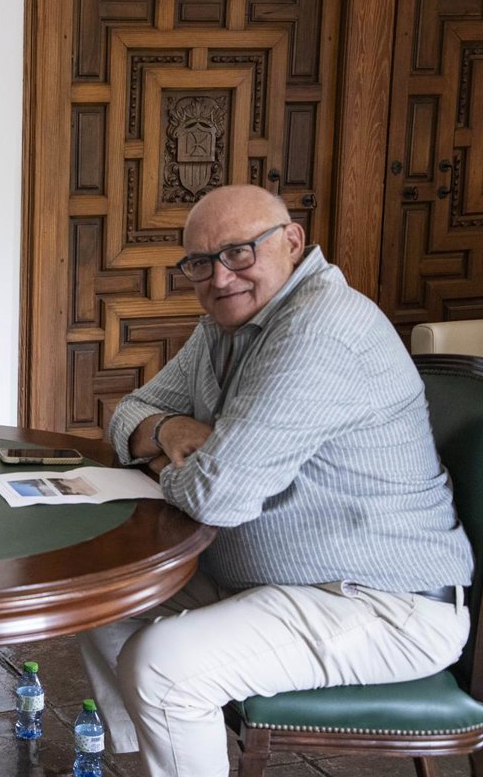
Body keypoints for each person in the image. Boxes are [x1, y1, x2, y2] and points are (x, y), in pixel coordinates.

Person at [79, 184, 474, 777]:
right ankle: (156, 761)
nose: (220, 277)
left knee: (163, 667)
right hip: (274, 582)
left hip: (381, 602)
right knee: (103, 594)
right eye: (200, 263)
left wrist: (162, 461)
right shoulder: (222, 327)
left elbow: (217, 496)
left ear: (291, 241)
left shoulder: (320, 328)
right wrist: (169, 430)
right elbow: (127, 415)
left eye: (239, 252)